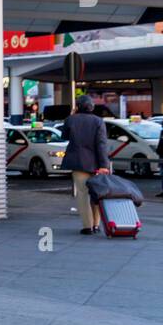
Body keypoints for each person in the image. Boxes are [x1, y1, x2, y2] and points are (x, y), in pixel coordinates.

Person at [60, 94, 111, 234]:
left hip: (78, 163)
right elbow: (101, 144)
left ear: (78, 106)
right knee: (96, 193)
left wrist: (71, 115)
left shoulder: (71, 119)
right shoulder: (98, 121)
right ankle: (96, 224)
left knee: (82, 194)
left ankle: (87, 226)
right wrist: (104, 165)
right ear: (91, 107)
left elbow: (64, 136)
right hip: (95, 163)